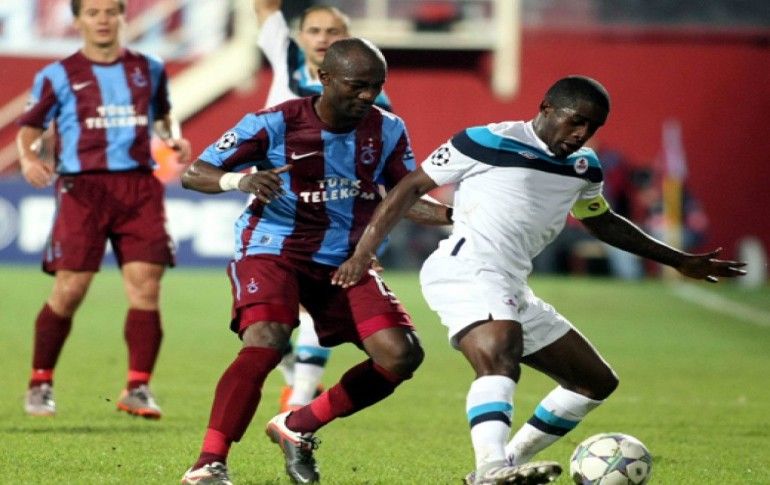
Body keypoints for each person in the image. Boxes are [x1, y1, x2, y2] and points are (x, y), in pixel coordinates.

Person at [332, 75, 747, 484]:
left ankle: (505, 464)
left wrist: (678, 260)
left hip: (511, 283)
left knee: (593, 381)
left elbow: (601, 221)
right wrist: (363, 252)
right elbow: (408, 189)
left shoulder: (585, 167)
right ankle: (492, 466)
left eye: (592, 126)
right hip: (466, 268)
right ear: (547, 108)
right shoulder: (486, 140)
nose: (581, 133)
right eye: (576, 120)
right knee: (500, 350)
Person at [180, 38, 452, 484]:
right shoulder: (273, 123)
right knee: (267, 339)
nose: (367, 96)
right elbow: (195, 173)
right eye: (357, 85)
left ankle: (298, 425)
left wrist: (457, 217)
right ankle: (210, 462)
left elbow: (404, 197)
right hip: (273, 248)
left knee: (400, 355)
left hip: (344, 260)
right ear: (324, 79)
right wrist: (240, 182)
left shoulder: (387, 129)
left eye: (376, 86)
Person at [16, 0, 192, 419]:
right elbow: (30, 128)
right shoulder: (57, 75)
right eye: (93, 12)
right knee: (70, 290)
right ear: (78, 20)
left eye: (111, 11)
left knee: (146, 288)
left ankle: (138, 386)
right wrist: (28, 158)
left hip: (138, 187)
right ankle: (40, 382)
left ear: (122, 17)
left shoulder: (149, 68)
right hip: (84, 189)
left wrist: (173, 137)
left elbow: (164, 115)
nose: (102, 19)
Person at [254, 0, 394, 414]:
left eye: (332, 31)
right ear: (299, 36)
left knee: (318, 297)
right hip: (272, 203)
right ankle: (296, 379)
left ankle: (299, 400)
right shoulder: (286, 58)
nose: (322, 38)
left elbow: (377, 167)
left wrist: (367, 241)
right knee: (263, 314)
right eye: (314, 30)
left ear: (347, 38)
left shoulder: (370, 97)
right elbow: (263, 7)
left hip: (331, 207)